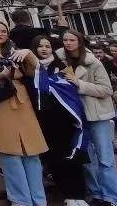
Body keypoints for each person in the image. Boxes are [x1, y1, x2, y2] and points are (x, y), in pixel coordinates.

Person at [0, 21, 47, 206]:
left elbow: (36, 72)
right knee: (10, 153)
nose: (0, 33)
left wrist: (29, 54)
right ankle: (20, 199)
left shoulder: (15, 49)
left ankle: (38, 198)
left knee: (32, 151)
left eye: (3, 30)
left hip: (21, 100)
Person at [57, 30, 117, 206]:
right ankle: (95, 193)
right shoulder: (62, 63)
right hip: (78, 117)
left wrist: (79, 84)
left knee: (105, 158)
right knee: (86, 158)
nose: (68, 43)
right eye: (65, 40)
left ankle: (111, 197)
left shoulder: (94, 63)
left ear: (80, 42)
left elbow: (106, 90)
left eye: (72, 40)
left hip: (97, 115)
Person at [30, 36, 89, 206]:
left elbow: (71, 89)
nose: (43, 49)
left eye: (47, 46)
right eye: (40, 46)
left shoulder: (61, 66)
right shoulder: (30, 68)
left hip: (64, 119)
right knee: (53, 158)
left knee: (70, 157)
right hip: (43, 120)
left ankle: (78, 194)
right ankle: (66, 192)